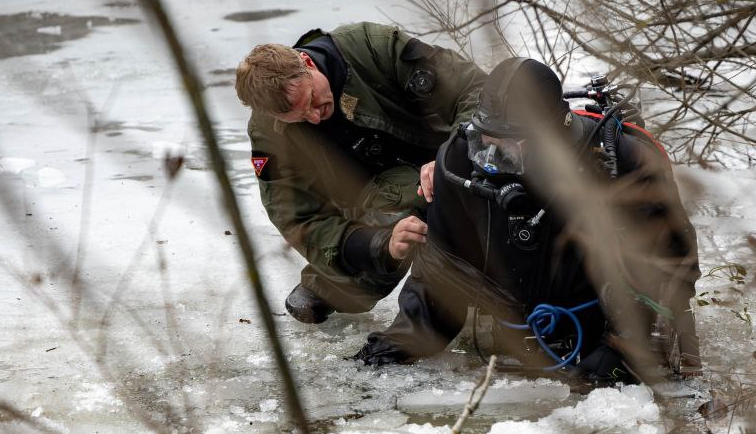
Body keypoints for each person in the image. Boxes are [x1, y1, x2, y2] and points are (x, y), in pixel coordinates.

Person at [354, 56, 701, 385]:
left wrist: (623, 347)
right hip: (516, 328)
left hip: (600, 323)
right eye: (485, 141)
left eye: (508, 145)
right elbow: (443, 272)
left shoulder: (621, 161)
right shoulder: (460, 160)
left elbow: (670, 269)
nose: (490, 158)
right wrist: (403, 341)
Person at [236, 22, 485, 324]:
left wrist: (452, 155)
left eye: (313, 99)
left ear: (307, 63)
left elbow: (474, 89)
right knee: (393, 217)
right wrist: (377, 244)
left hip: (450, 153)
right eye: (299, 117)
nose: (315, 116)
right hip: (367, 197)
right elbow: (299, 219)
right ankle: (340, 281)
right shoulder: (268, 131)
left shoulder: (371, 45)